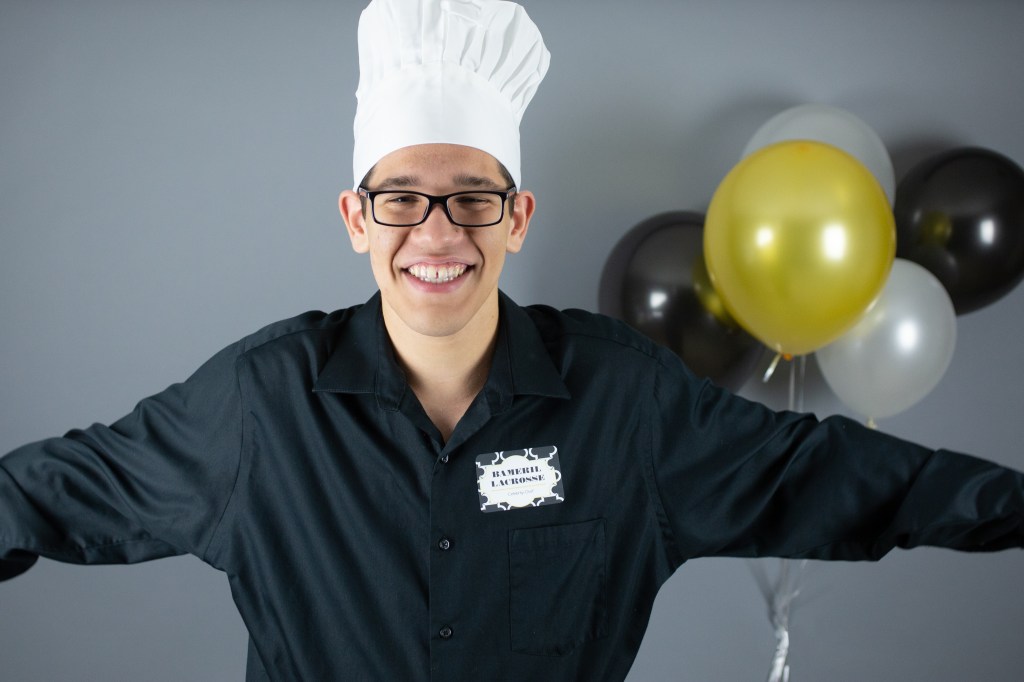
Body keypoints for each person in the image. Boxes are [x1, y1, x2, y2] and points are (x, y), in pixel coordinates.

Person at [1, 0, 1022, 680]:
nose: (436, 232)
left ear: (518, 215)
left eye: (471, 197)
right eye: (400, 197)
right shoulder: (262, 403)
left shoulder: (623, 401)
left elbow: (837, 475)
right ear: (356, 219)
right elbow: (49, 494)